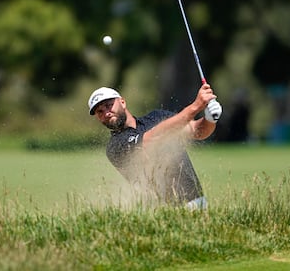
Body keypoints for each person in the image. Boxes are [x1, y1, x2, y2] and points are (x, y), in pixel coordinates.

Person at [88, 84, 222, 209]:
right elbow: (153, 138)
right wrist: (196, 106)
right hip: (166, 212)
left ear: (122, 102)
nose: (106, 113)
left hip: (199, 203)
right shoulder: (115, 147)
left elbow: (196, 131)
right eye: (100, 111)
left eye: (109, 105)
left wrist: (210, 119)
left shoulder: (157, 117)